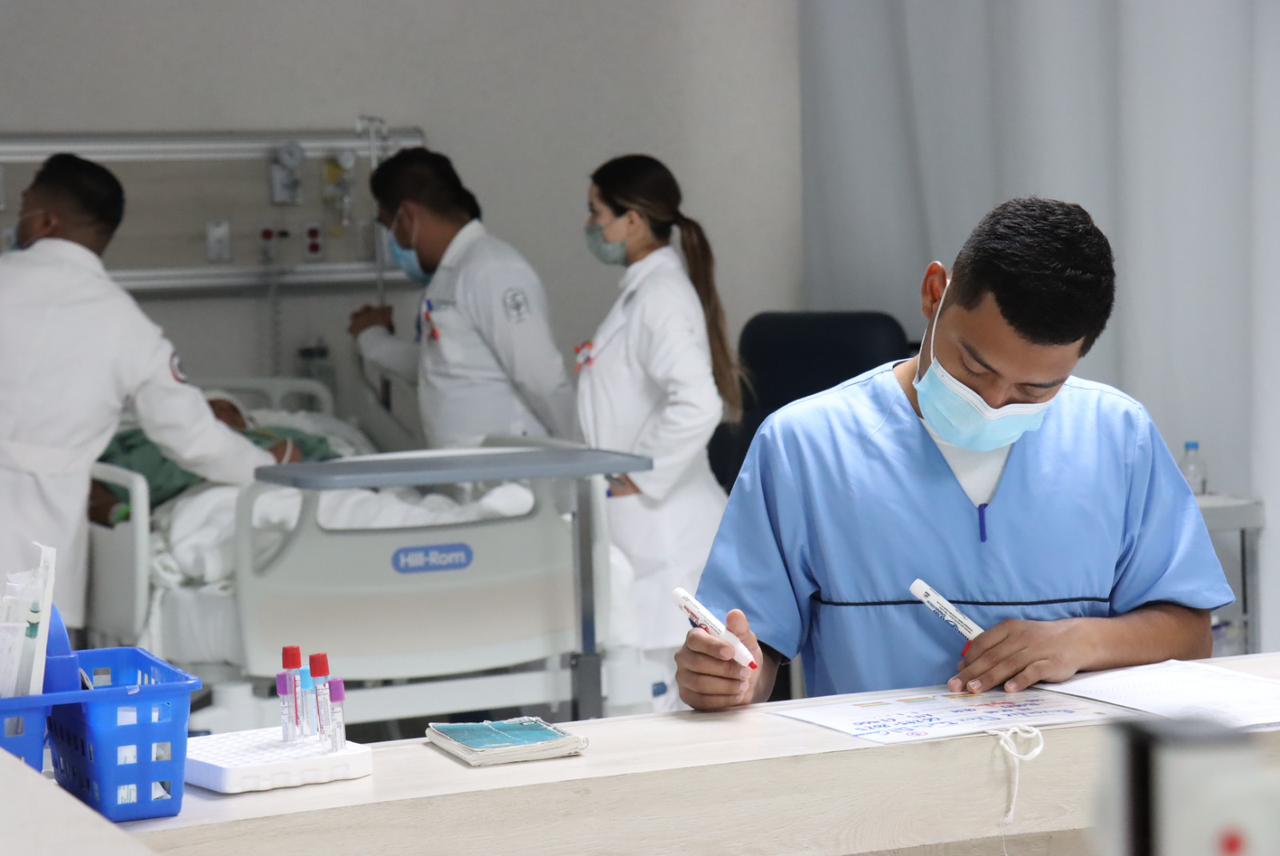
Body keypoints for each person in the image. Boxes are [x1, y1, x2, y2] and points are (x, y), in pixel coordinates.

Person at [677, 197, 1234, 710]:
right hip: (882, 794)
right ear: (935, 293)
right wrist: (730, 678)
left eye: (1033, 390)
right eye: (975, 366)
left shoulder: (1118, 436)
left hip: (1076, 785)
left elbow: (1189, 631)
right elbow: (756, 653)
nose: (993, 403)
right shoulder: (806, 446)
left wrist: (1078, 639)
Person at [0, 154, 298, 629]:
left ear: (44, 220)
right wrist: (272, 470)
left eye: (21, 209)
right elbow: (194, 440)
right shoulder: (127, 327)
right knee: (22, 697)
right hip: (35, 562)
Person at [579, 154, 740, 711]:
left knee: (670, 714)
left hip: (669, 534)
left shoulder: (660, 295)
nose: (591, 225)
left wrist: (639, 474)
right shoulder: (645, 290)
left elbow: (698, 403)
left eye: (597, 211)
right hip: (649, 531)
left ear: (634, 220)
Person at [349, 148, 575, 448]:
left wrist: (586, 456)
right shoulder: (449, 277)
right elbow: (439, 367)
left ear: (407, 216)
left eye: (389, 227)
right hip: (474, 478)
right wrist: (372, 340)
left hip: (511, 479)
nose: (393, 243)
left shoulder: (492, 269)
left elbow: (541, 377)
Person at [89, 393, 336, 523]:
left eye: (231, 408)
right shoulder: (155, 442)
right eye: (211, 406)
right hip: (186, 505)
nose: (221, 411)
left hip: (272, 498)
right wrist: (119, 513)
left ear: (247, 422)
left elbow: (327, 462)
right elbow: (97, 475)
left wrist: (287, 457)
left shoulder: (280, 436)